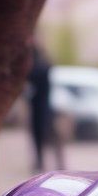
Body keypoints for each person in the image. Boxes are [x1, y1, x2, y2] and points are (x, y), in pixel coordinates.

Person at [28, 44, 63, 172]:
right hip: (43, 108)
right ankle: (45, 162)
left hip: (42, 109)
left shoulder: (40, 68)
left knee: (46, 137)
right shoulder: (44, 66)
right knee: (48, 138)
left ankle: (45, 163)